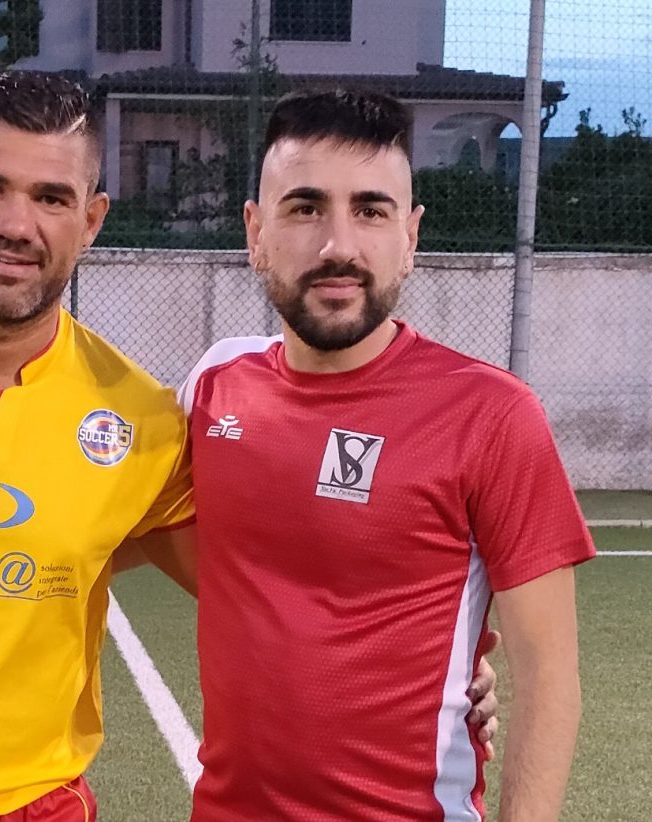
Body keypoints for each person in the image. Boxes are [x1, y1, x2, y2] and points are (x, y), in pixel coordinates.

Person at [0, 71, 496, 822]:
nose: (16, 225)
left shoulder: (137, 419)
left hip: (37, 808)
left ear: (92, 219)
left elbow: (259, 591)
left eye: (51, 197)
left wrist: (441, 663)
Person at [173, 89, 595, 821]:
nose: (338, 245)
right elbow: (139, 530)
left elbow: (550, 675)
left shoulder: (491, 414)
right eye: (305, 208)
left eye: (370, 210)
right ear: (255, 232)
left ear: (411, 235)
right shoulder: (213, 385)